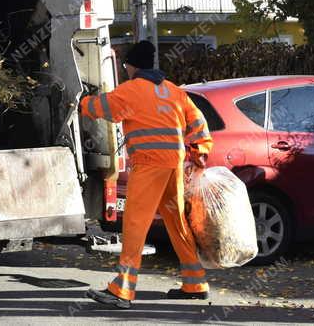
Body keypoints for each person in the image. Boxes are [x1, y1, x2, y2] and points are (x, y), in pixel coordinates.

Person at [79, 40, 213, 309]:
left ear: (132, 66)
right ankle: (195, 282)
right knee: (176, 222)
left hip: (149, 164)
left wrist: (81, 101)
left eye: (126, 65)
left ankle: (123, 290)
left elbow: (102, 108)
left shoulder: (131, 90)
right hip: (173, 164)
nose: (125, 69)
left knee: (135, 224)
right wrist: (200, 151)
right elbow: (198, 120)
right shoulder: (173, 91)